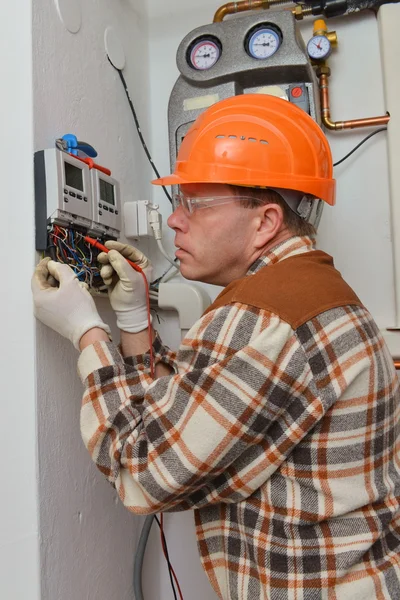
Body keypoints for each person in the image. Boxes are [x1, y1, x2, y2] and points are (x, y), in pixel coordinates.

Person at [32, 95, 400, 600]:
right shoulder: (317, 295)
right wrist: (134, 320)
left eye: (195, 204)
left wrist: (87, 333)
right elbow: (181, 419)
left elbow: (143, 473)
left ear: (266, 222)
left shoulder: (259, 318)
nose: (175, 221)